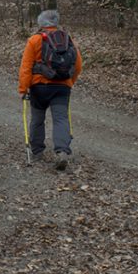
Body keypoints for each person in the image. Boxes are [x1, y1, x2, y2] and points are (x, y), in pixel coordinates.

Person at [18, 9, 82, 170]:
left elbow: (26, 66)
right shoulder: (68, 40)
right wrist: (69, 82)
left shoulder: (34, 40)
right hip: (61, 87)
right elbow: (78, 65)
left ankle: (37, 151)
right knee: (61, 119)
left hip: (39, 87)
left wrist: (23, 88)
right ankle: (61, 151)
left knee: (37, 119)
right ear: (56, 22)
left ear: (41, 23)